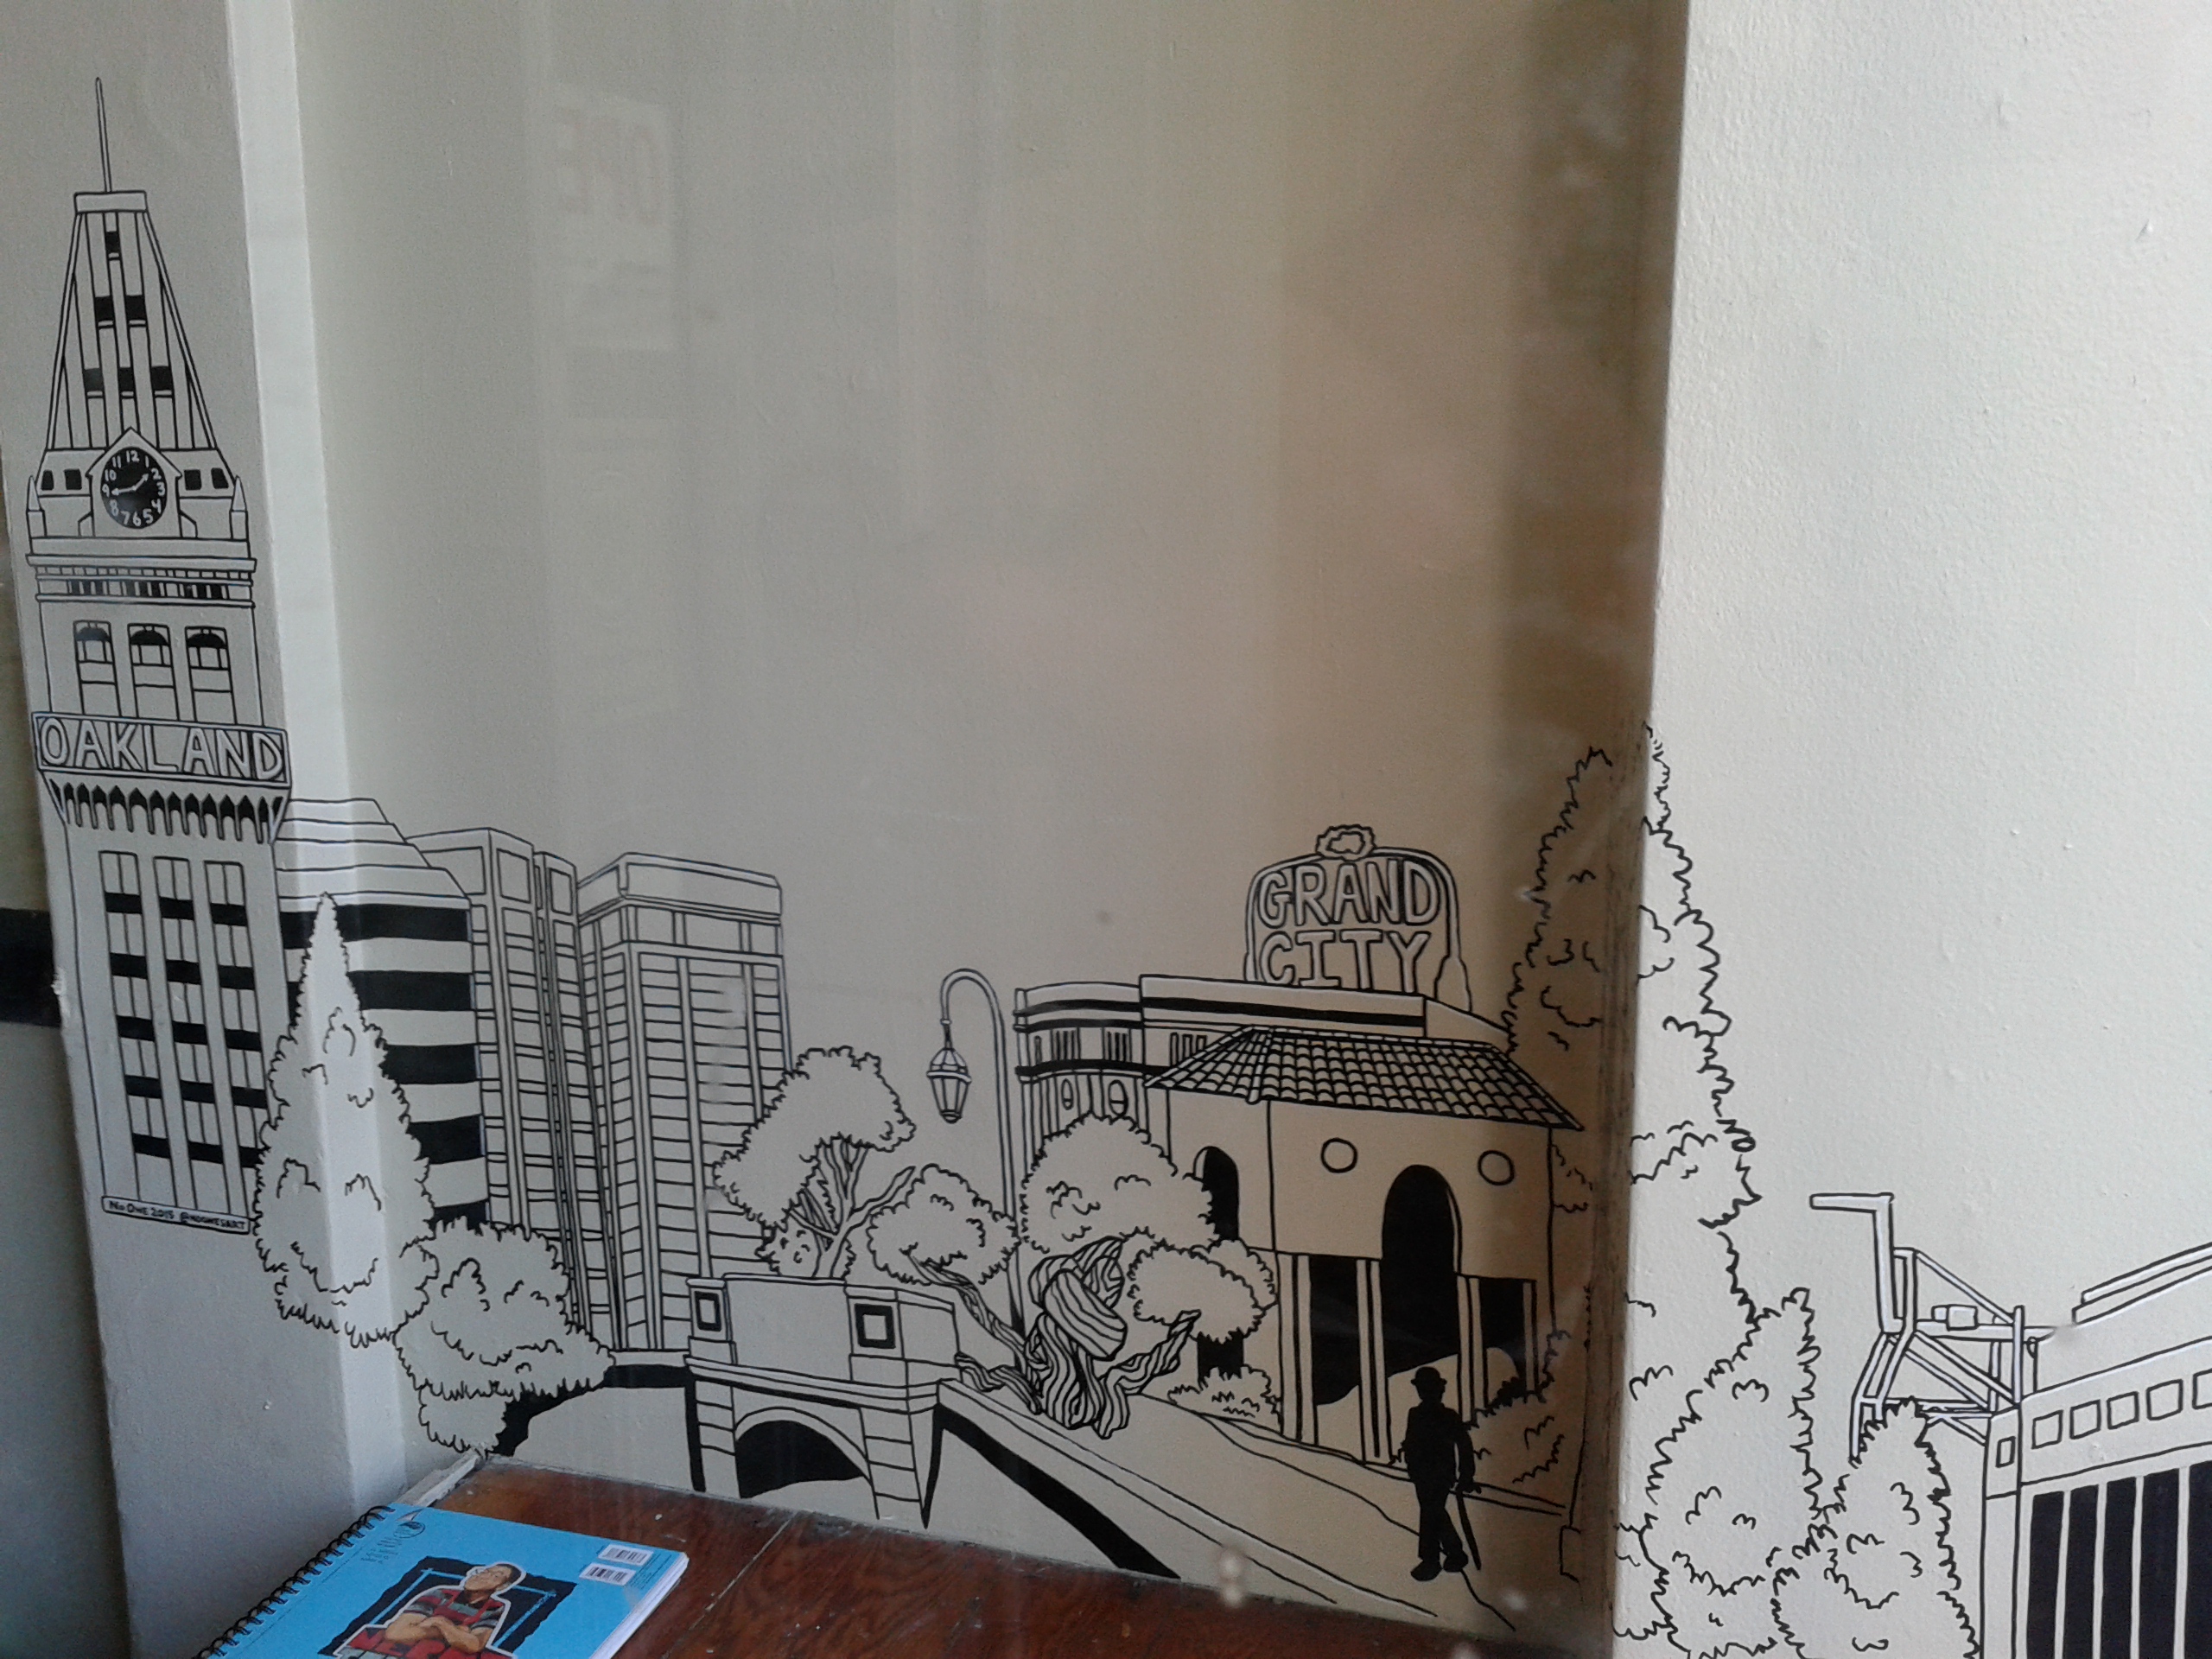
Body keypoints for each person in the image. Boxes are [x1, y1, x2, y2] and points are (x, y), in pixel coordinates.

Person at [347, 1562, 521, 1658]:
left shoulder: (495, 1608)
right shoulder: (440, 1593)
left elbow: (473, 1645)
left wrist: (439, 1621)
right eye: (484, 1571)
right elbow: (396, 1633)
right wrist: (455, 1631)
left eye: (495, 1576)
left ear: (502, 1586)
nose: (482, 1576)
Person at [1400, 1365, 1477, 1581]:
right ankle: (1454, 1553)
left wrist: (1466, 1475)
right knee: (1435, 1513)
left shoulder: (1449, 1416)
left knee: (1430, 1513)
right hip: (1421, 1475)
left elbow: (1464, 1445)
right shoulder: (1415, 1414)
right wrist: (1411, 1464)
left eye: (1429, 1388)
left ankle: (1432, 1560)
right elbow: (1411, 1441)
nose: (1425, 1393)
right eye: (1422, 1389)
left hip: (1441, 1474)